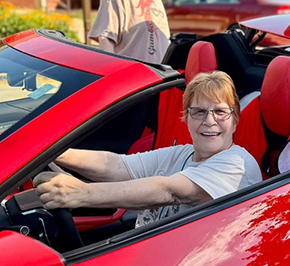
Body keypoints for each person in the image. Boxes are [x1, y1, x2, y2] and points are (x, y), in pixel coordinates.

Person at [34, 71, 262, 227]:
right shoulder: (182, 153)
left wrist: (82, 193)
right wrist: (51, 150)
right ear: (186, 119)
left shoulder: (236, 164)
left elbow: (169, 191)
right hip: (147, 251)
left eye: (220, 112)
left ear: (235, 120)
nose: (210, 121)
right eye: (199, 112)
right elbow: (116, 166)